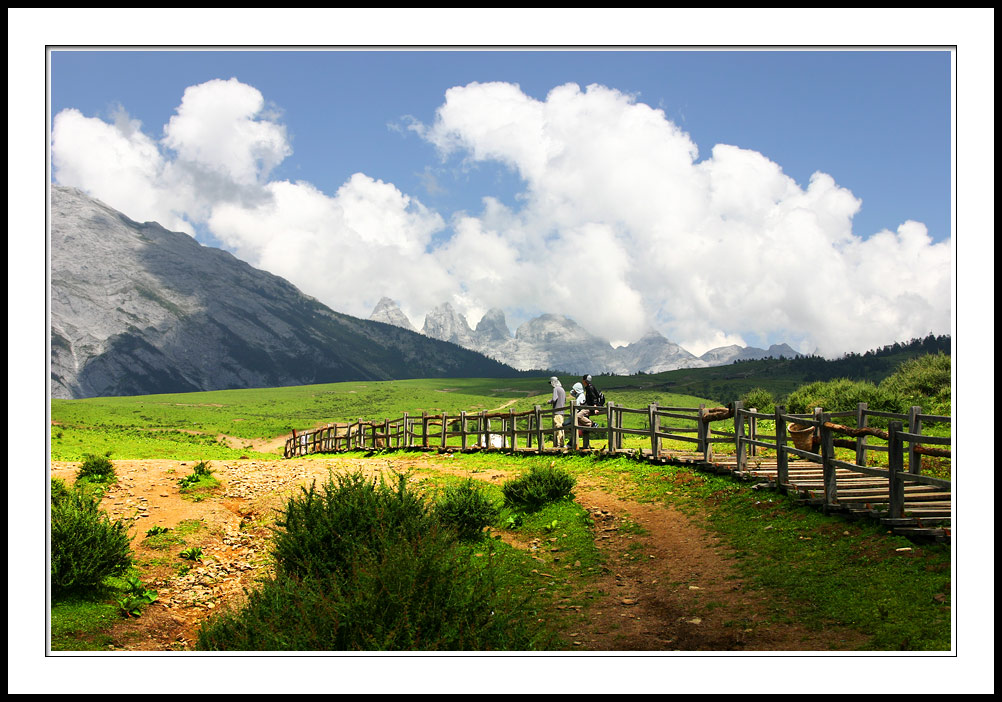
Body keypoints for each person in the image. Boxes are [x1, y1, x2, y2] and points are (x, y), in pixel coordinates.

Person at [570, 381, 594, 448]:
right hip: (577, 413)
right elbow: (571, 392)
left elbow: (580, 405)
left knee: (575, 427)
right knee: (573, 427)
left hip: (580, 413)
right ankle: (571, 443)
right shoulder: (578, 395)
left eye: (575, 389)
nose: (574, 391)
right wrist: (574, 390)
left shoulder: (581, 396)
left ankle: (590, 423)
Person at [548, 376, 566, 448]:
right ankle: (562, 442)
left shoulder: (555, 389)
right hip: (562, 411)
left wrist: (549, 401)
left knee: (558, 427)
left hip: (557, 411)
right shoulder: (562, 389)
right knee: (561, 428)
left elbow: (554, 399)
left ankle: (559, 444)